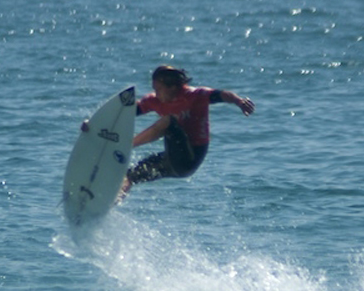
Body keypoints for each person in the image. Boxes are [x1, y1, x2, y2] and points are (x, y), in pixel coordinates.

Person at [83, 66, 255, 200]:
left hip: (190, 159)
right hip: (170, 161)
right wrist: (93, 124)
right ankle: (107, 206)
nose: (155, 93)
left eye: (158, 89)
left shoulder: (196, 95)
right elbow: (126, 113)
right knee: (131, 176)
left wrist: (239, 101)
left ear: (173, 87)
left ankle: (127, 146)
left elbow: (221, 94)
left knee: (169, 122)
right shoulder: (155, 101)